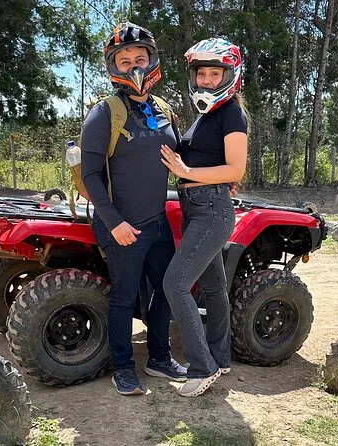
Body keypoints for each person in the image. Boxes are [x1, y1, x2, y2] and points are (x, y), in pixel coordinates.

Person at [80, 22, 186, 396]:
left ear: (152, 60)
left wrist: (219, 176)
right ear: (113, 66)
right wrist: (115, 223)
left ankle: (159, 358)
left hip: (157, 222)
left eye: (139, 58)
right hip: (121, 225)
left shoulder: (164, 109)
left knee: (167, 289)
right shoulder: (104, 113)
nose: (133, 66)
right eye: (124, 61)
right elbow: (90, 176)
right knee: (124, 298)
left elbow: (182, 158)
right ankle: (123, 368)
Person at [160, 38, 248, 397]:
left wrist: (186, 171)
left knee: (175, 284)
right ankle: (220, 359)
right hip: (197, 207)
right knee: (213, 288)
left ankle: (202, 367)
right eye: (201, 74)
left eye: (215, 74)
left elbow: (235, 168)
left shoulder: (231, 114)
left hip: (210, 209)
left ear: (230, 76)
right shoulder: (205, 116)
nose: (207, 80)